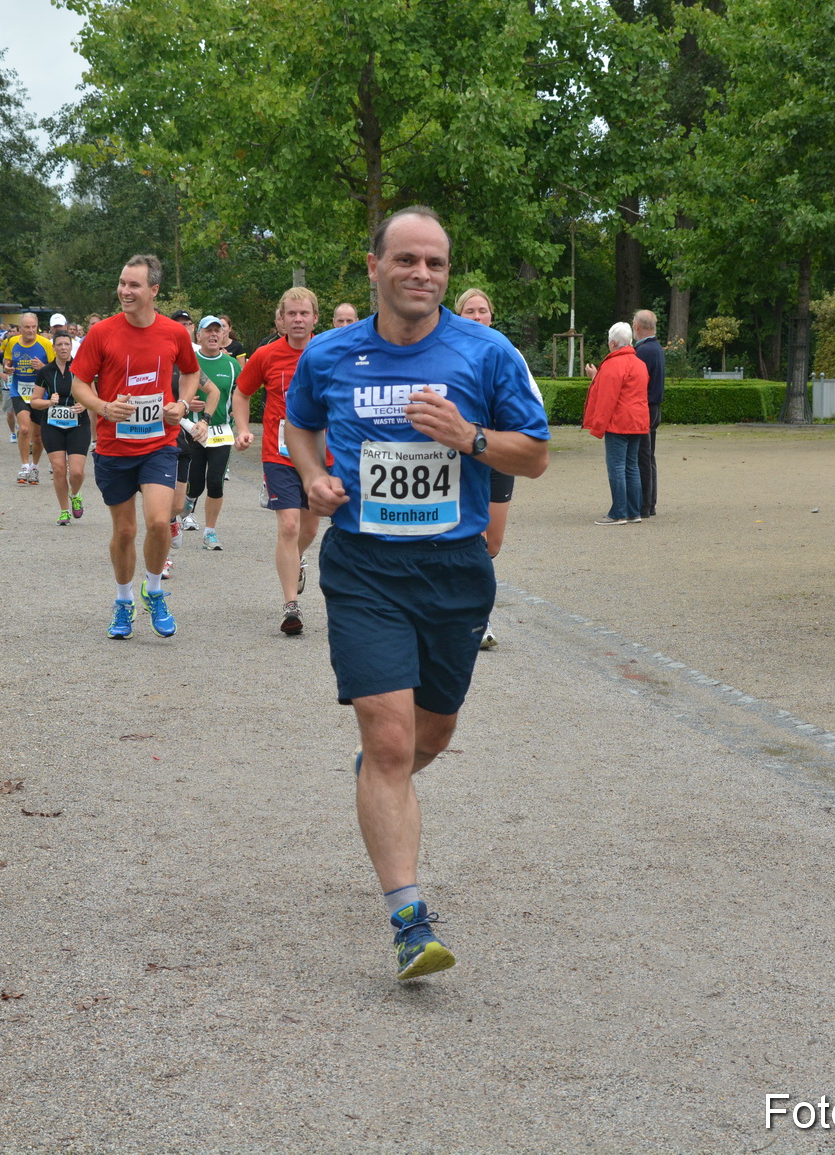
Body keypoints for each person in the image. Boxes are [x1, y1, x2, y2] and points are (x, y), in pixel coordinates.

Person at [283, 205, 550, 981]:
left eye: (435, 262)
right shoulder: (330, 354)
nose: (422, 275)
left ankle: (377, 784)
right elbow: (298, 427)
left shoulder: (488, 352)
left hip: (454, 569)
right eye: (406, 260)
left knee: (426, 737)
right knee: (391, 739)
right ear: (374, 267)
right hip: (365, 566)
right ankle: (409, 920)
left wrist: (467, 437)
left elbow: (533, 456)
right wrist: (311, 475)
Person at [69, 255, 199, 640]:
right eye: (122, 283)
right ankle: (123, 601)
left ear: (153, 290)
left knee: (160, 521)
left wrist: (180, 402)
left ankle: (154, 590)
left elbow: (191, 372)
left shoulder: (173, 333)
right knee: (125, 531)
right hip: (113, 447)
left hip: (159, 443)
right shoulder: (102, 333)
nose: (125, 291)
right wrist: (103, 407)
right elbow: (79, 383)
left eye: (134, 285)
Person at [235, 286, 324, 634]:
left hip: (319, 455)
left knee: (310, 527)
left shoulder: (328, 351)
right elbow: (242, 393)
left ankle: (297, 559)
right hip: (279, 453)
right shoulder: (266, 355)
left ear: (315, 318)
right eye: (292, 314)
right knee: (288, 525)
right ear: (282, 319)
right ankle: (291, 607)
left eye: (304, 313)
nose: (298, 319)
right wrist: (243, 428)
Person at [455, 288, 518, 649]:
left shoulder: (505, 352)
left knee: (490, 544)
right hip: (460, 460)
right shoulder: (445, 354)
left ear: (491, 316)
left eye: (482, 311)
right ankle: (479, 617)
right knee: (467, 538)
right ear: (458, 316)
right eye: (469, 311)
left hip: (497, 454)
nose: (477, 317)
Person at [582, 322, 650, 524]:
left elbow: (606, 399)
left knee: (617, 467)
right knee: (632, 466)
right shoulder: (640, 363)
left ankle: (618, 513)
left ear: (612, 342)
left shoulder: (612, 364)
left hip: (618, 422)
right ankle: (633, 511)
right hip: (637, 421)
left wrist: (598, 426)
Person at [29, 332, 90, 525]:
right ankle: (64, 511)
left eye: (66, 344)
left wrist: (85, 405)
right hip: (52, 424)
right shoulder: (45, 371)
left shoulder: (82, 368)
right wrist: (48, 401)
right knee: (58, 469)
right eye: (59, 345)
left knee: (77, 472)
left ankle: (75, 494)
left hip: (78, 423)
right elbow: (34, 402)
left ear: (71, 347)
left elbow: (94, 396)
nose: (63, 348)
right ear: (53, 348)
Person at [190, 315, 239, 549]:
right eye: (207, 331)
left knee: (216, 482)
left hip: (220, 431)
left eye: (217, 331)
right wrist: (187, 403)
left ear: (223, 335)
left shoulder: (232, 365)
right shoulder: (189, 361)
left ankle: (210, 531)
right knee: (194, 484)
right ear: (198, 335)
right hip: (191, 430)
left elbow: (242, 396)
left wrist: (240, 424)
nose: (213, 335)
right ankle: (186, 506)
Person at [1, 314, 53, 484]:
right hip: (19, 391)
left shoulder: (45, 344)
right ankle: (24, 466)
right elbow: (7, 361)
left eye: (34, 327)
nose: (31, 331)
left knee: (38, 436)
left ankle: (35, 467)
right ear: (21, 328)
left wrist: (43, 367)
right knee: (24, 428)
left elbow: (56, 368)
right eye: (27, 327)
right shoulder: (12, 342)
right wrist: (7, 368)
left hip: (39, 393)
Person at [631, 309, 664, 518]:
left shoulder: (643, 351)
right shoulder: (656, 348)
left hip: (645, 407)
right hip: (654, 407)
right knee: (648, 456)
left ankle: (644, 505)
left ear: (637, 327)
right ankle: (650, 503)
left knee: (642, 456)